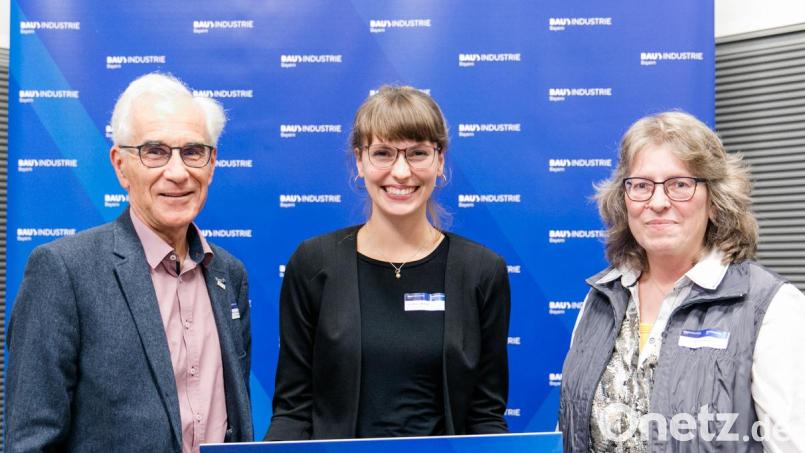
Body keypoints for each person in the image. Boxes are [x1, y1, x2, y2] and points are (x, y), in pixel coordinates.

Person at [6, 73, 253, 452]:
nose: (177, 171)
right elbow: (30, 442)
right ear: (121, 165)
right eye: (155, 151)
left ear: (212, 162)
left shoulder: (227, 275)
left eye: (193, 151)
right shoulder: (64, 272)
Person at [266, 85, 511, 440]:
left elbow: (485, 416)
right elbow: (293, 411)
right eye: (383, 153)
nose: (400, 171)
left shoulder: (482, 271)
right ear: (359, 161)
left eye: (417, 153)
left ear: (440, 161)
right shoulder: (313, 264)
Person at [559, 111, 805, 451]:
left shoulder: (770, 308)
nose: (658, 203)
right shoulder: (601, 299)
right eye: (642, 185)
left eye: (680, 185)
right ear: (623, 200)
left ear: (715, 202)